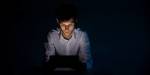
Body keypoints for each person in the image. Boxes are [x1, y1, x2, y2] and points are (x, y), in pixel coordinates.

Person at [45, 4, 93, 73]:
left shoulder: (82, 35)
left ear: (76, 21)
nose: (66, 29)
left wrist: (82, 66)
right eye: (63, 25)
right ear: (58, 21)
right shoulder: (52, 35)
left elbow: (88, 62)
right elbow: (48, 61)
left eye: (70, 24)